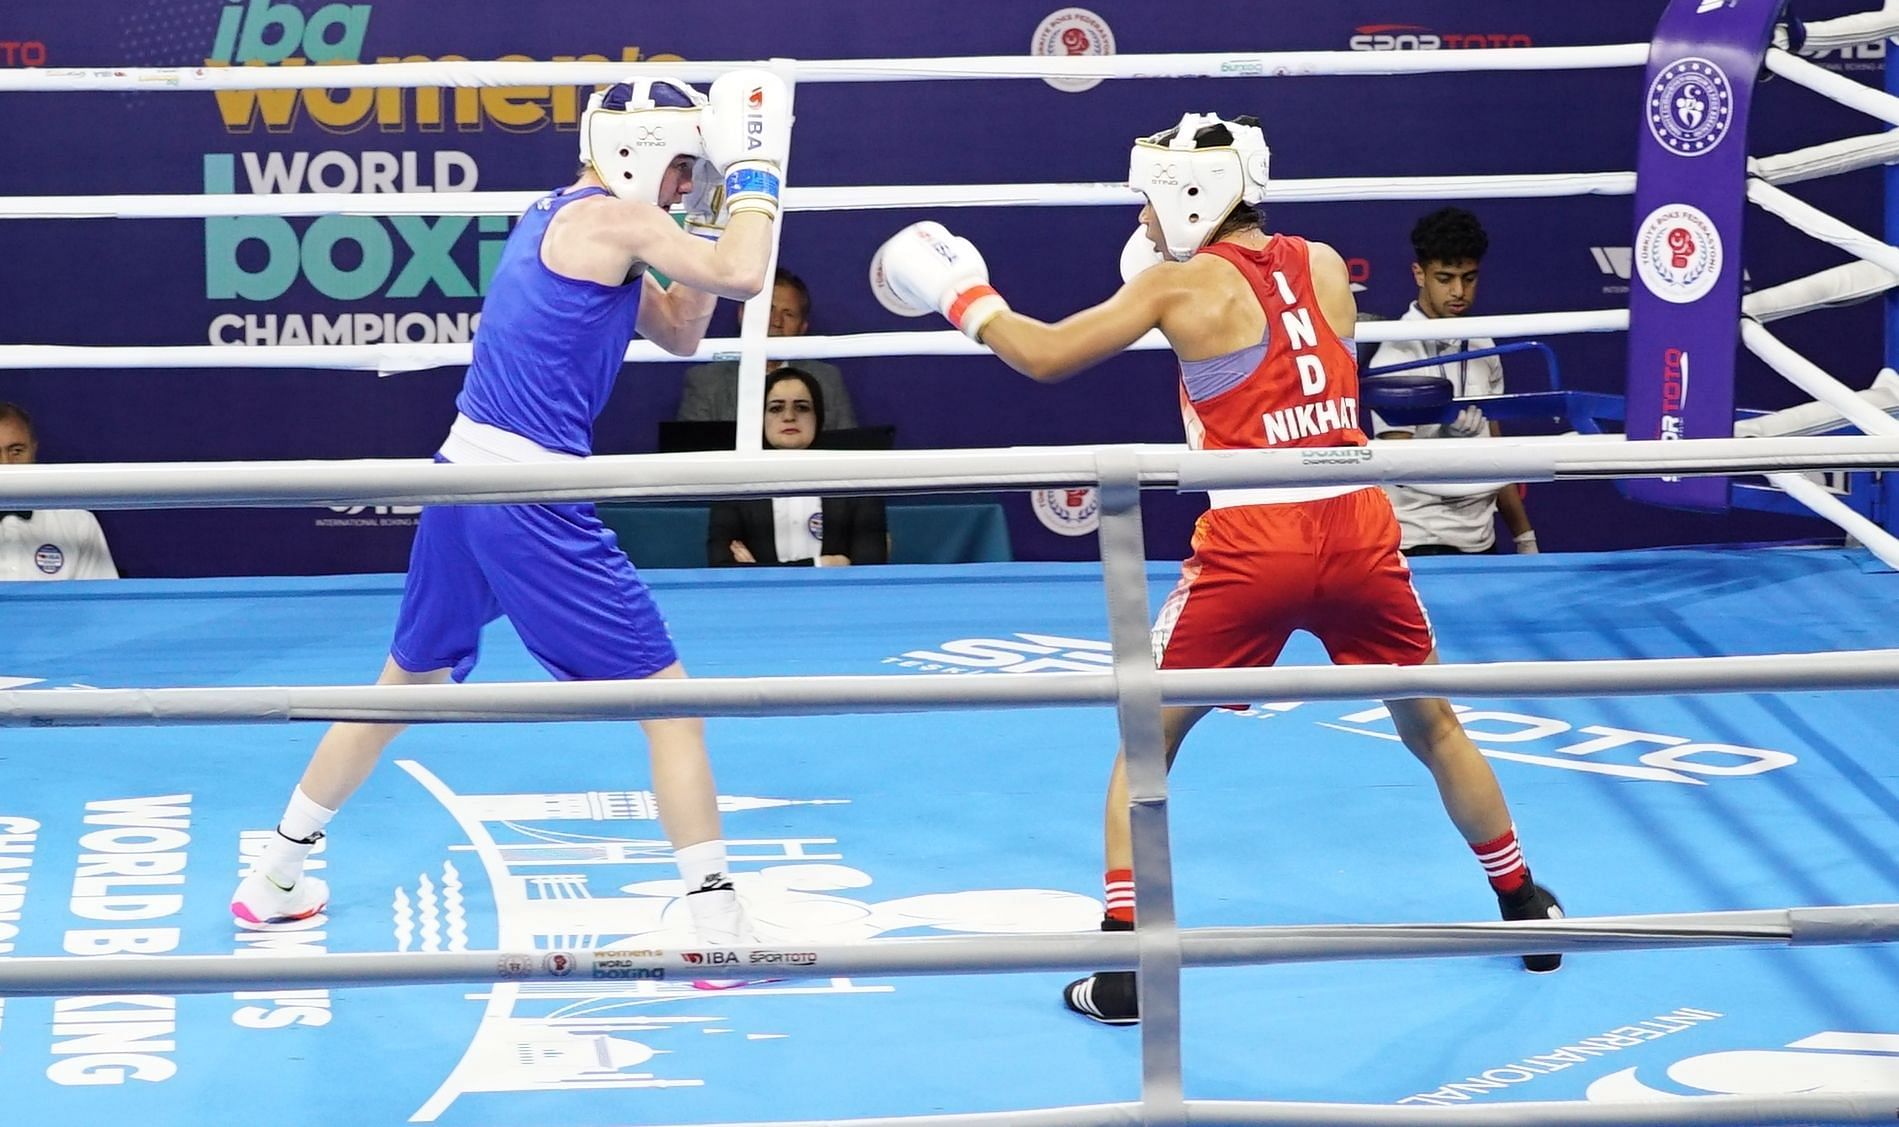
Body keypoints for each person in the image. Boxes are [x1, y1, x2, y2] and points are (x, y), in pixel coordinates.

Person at [870, 112, 1564, 1025]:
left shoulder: (1176, 286)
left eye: (1147, 205)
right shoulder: (1322, 265)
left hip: (1254, 536)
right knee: (1430, 723)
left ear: (1185, 196)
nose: (1143, 224)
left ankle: (1126, 968)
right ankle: (1526, 904)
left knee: (1144, 742)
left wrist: (964, 294)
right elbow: (1275, 355)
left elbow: (1040, 354)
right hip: (1356, 520)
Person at [230, 72, 790, 973]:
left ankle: (276, 873)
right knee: (675, 709)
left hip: (463, 477)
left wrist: (717, 197)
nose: (684, 184)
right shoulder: (615, 219)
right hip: (527, 492)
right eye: (682, 167)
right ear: (642, 153)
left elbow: (684, 327)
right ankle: (715, 919)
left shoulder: (566, 215)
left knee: (398, 688)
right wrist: (758, 167)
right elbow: (748, 270)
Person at [1367, 207, 1539, 556]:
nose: (1459, 291)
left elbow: (1497, 451)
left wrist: (1524, 536)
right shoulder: (1396, 355)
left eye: (1470, 278)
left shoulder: (1483, 345)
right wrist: (1447, 446)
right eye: (1445, 279)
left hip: (1481, 540)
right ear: (1419, 274)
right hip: (1418, 543)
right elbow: (1396, 468)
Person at [707, 367, 887, 567]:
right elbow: (722, 566)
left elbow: (869, 567)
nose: (789, 416)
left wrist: (758, 570)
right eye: (776, 408)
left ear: (817, 416)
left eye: (802, 407)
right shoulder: (736, 485)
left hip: (836, 597)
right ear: (760, 418)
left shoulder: (856, 484)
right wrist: (819, 564)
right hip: (759, 598)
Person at [676, 268, 860, 428]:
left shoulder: (826, 380)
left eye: (788, 314)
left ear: (803, 327)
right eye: (768, 310)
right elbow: (691, 453)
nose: (776, 322)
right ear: (742, 315)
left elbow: (848, 453)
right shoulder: (706, 382)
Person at [0, 402, 118, 581]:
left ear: (33, 449)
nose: (6, 464)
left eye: (16, 451)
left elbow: (100, 604)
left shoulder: (77, 522)